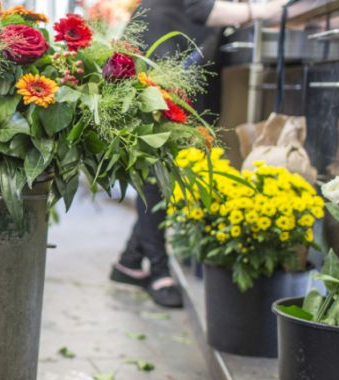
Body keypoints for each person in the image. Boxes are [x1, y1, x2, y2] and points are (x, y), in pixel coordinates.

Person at [110, 0, 284, 307]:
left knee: (162, 163)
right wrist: (258, 11)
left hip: (164, 51)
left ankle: (130, 261)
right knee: (156, 167)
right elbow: (200, 8)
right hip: (158, 56)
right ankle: (159, 271)